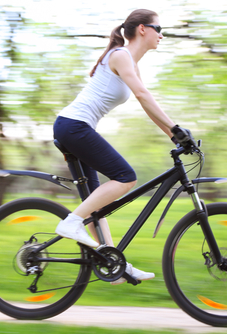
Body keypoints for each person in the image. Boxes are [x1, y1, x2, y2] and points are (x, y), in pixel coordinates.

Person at [53, 9, 183, 285]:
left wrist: (174, 136)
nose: (162, 34)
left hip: (74, 128)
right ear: (142, 30)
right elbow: (142, 94)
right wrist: (175, 129)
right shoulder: (121, 55)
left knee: (97, 205)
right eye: (158, 28)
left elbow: (146, 104)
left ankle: (113, 263)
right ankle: (71, 222)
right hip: (74, 126)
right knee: (125, 177)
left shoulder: (129, 63)